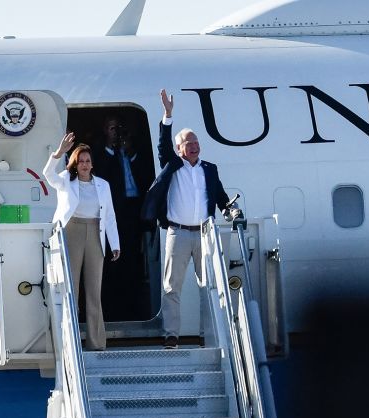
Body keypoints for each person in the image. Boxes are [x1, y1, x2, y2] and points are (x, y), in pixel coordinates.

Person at [142, 89, 231, 349]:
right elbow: (162, 145)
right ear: (179, 149)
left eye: (196, 143)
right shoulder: (173, 166)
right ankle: (172, 335)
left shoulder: (209, 169)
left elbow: (221, 197)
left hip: (205, 233)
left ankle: (209, 335)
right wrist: (168, 116)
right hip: (178, 233)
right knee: (172, 287)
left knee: (209, 287)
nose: (194, 147)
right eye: (188, 144)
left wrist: (229, 210)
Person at [43, 133, 120, 351]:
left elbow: (110, 215)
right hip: (72, 231)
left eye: (87, 161)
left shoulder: (103, 185)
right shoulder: (66, 180)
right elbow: (47, 174)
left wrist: (114, 243)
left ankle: (96, 341)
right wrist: (58, 153)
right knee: (71, 287)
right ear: (75, 164)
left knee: (94, 289)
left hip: (96, 231)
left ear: (92, 164)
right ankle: (70, 340)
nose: (85, 165)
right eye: (81, 161)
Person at [96, 116, 152, 320]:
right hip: (114, 211)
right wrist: (111, 150)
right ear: (105, 131)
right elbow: (100, 175)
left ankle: (135, 303)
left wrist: (131, 152)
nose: (117, 133)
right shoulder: (100, 153)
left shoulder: (133, 153)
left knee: (134, 258)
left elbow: (147, 175)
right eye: (113, 128)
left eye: (120, 129)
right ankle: (114, 306)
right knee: (114, 259)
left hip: (134, 209)